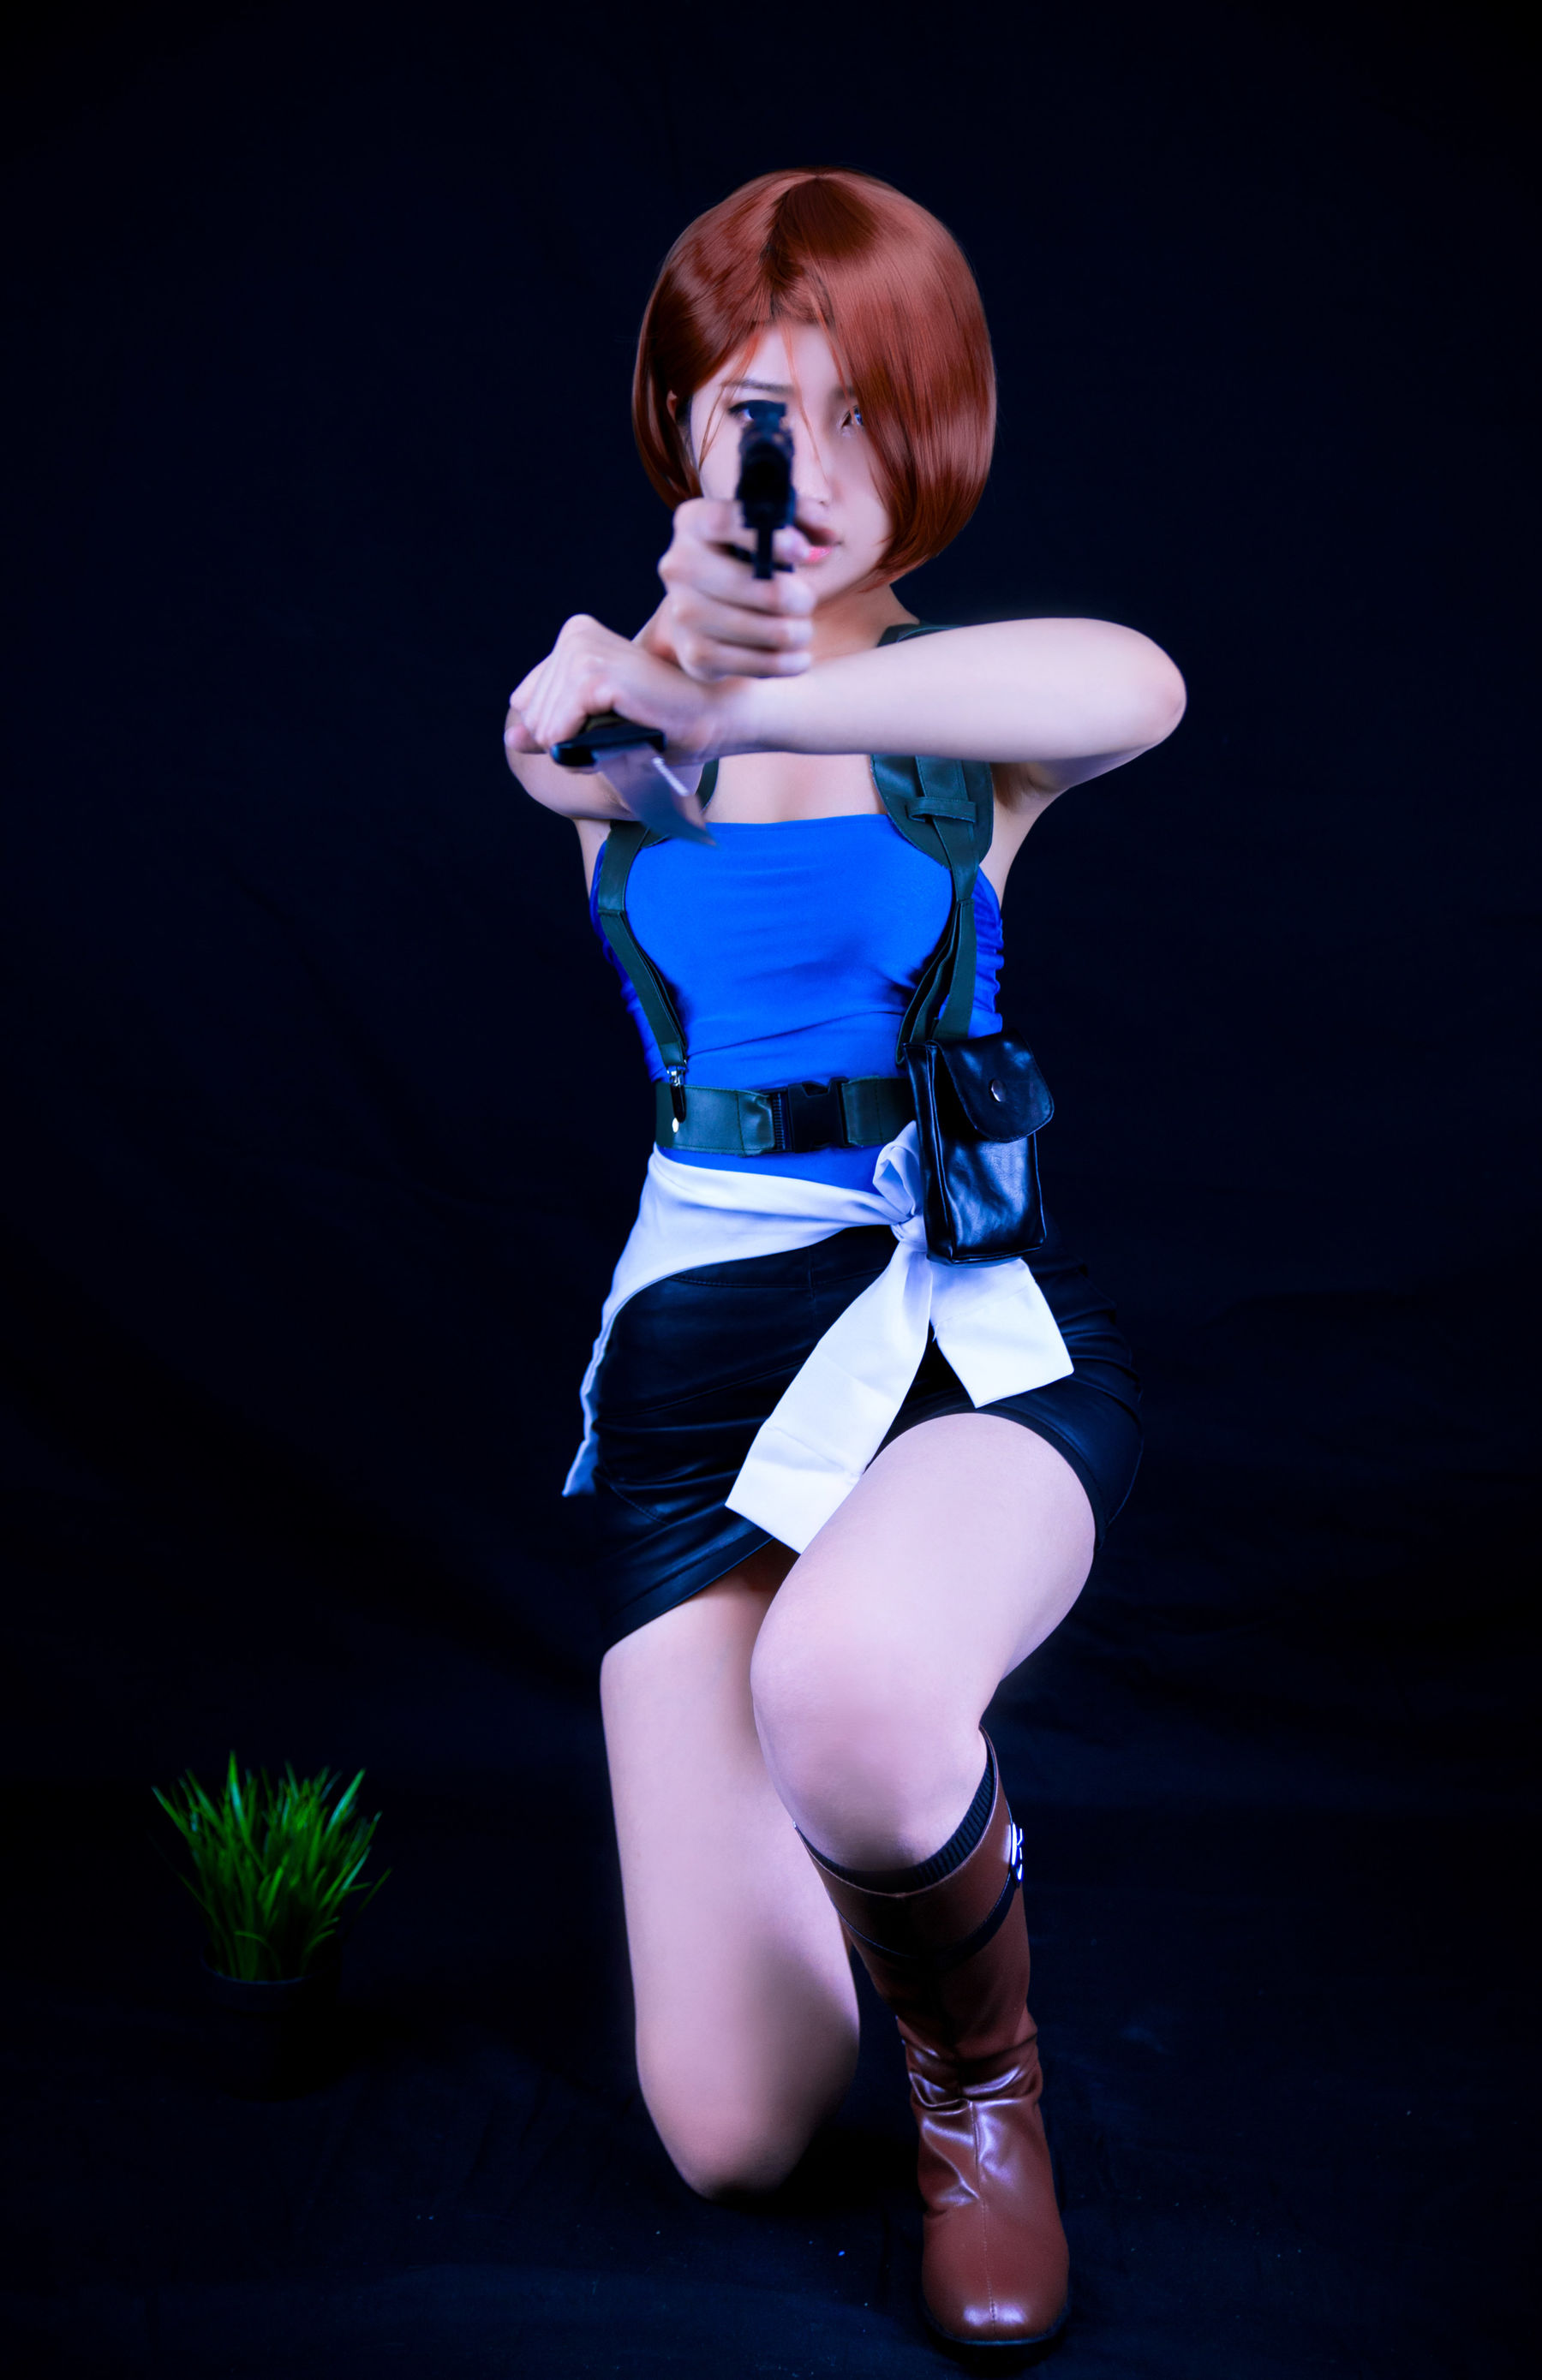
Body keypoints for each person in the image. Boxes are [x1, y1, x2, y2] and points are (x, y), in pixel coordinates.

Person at [503, 168, 1185, 2350]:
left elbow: (1138, 682)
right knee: (733, 2129)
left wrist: (765, 707)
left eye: (856, 414)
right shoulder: (622, 726)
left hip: (947, 1344)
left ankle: (984, 2091)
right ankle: (904, 1834)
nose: (801, 464)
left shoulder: (967, 723)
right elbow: (577, 743)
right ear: (686, 434)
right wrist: (627, 699)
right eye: (753, 413)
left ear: (929, 437)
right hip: (693, 1386)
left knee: (859, 1688)